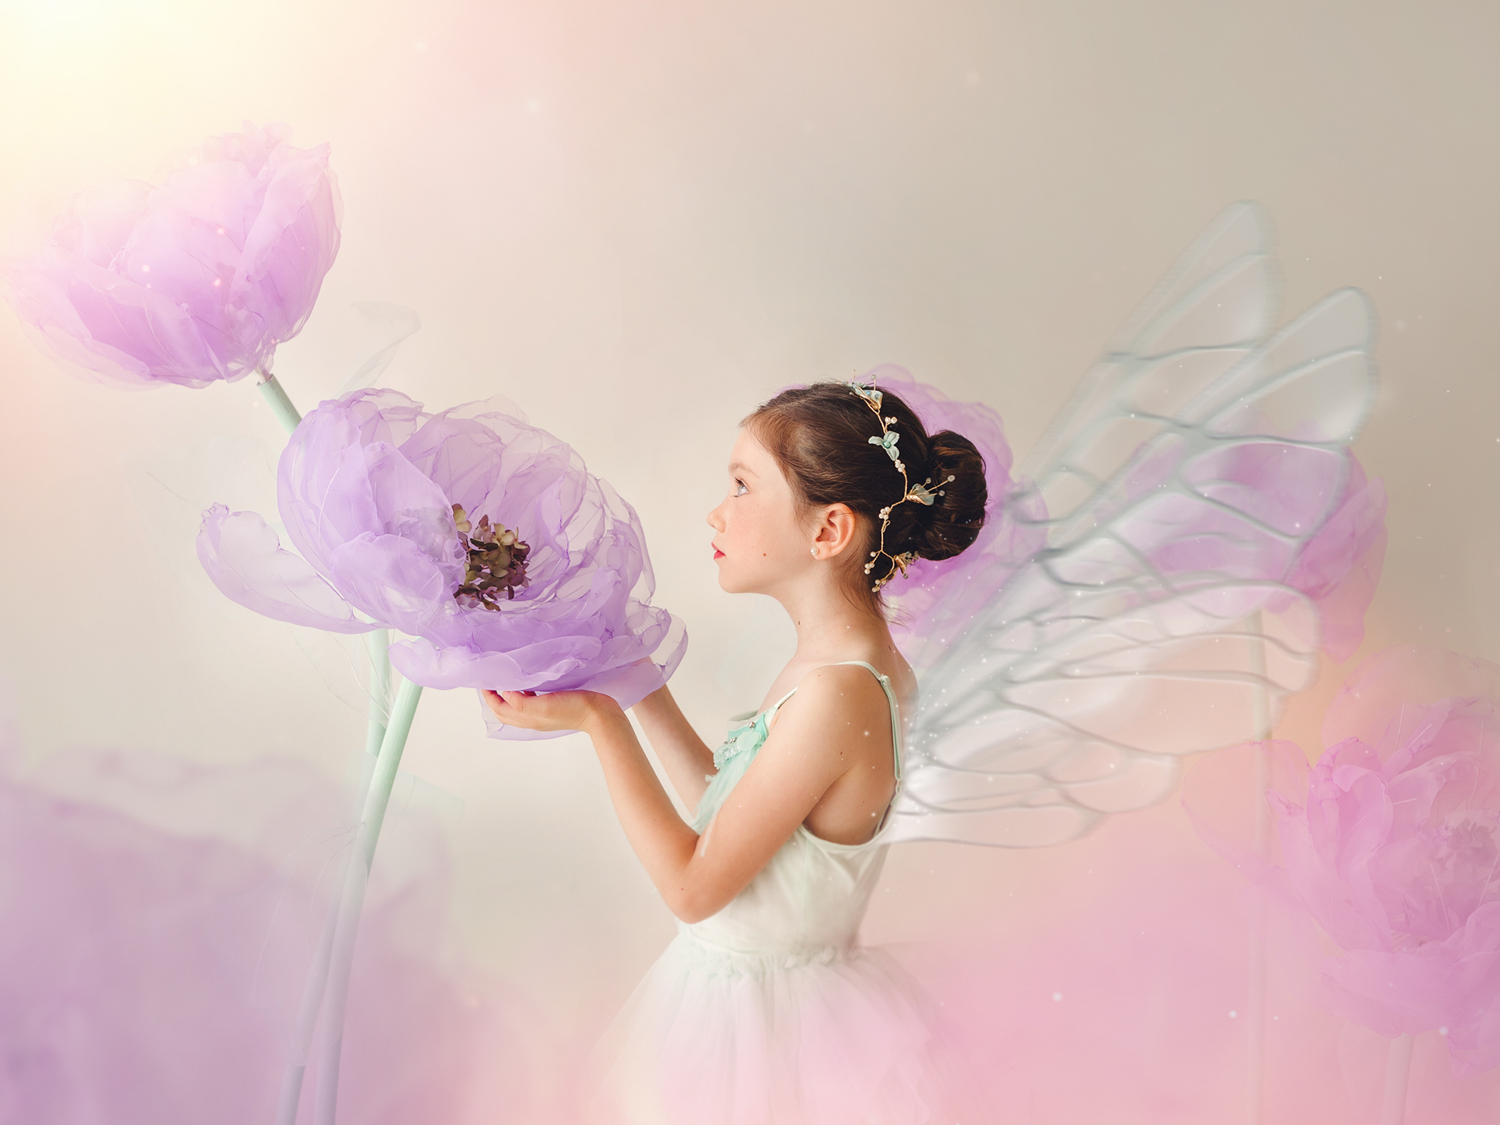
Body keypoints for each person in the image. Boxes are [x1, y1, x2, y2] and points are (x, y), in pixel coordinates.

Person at [483, 378, 991, 1124]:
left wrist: (603, 724)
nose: (716, 511)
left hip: (764, 1035)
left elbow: (695, 886)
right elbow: (734, 819)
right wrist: (640, 687)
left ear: (828, 532)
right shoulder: (838, 666)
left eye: (743, 485)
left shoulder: (839, 692)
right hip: (748, 1006)